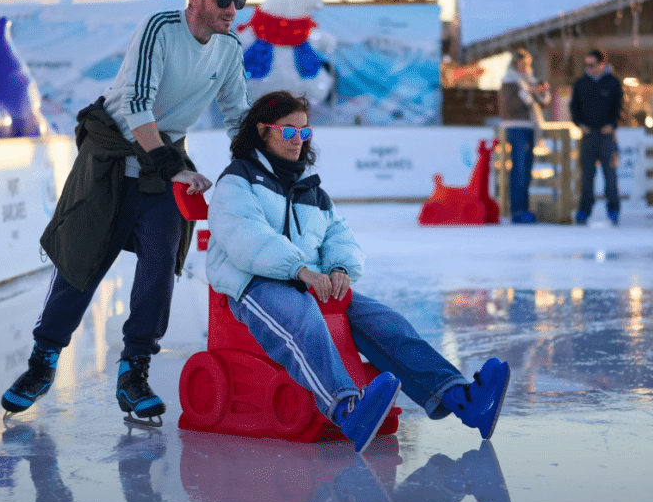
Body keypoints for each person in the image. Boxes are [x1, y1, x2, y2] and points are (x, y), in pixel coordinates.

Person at [1, 0, 252, 426]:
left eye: (239, 1)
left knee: (162, 265)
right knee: (82, 261)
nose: (233, 10)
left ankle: (134, 371)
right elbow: (136, 104)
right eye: (224, 0)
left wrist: (257, 165)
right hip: (113, 157)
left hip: (162, 165)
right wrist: (174, 167)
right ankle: (42, 361)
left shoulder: (229, 48)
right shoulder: (160, 28)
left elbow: (237, 114)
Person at [206, 91, 511, 453]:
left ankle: (461, 398)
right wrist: (300, 270)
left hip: (309, 281)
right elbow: (246, 237)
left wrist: (339, 268)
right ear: (262, 131)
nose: (298, 141)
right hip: (254, 284)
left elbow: (338, 233)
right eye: (289, 131)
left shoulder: (310, 188)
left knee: (384, 321)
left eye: (304, 133)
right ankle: (346, 408)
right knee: (302, 318)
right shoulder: (237, 181)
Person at [569, 49, 623, 225]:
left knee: (610, 174)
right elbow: (574, 107)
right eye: (586, 65)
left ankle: (613, 209)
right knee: (587, 176)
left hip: (607, 136)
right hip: (589, 135)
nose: (589, 68)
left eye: (592, 65)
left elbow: (619, 106)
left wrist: (612, 124)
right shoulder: (581, 83)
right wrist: (580, 124)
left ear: (602, 64)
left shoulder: (613, 83)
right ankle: (584, 209)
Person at [499, 48, 551, 223]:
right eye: (521, 64)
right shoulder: (510, 81)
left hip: (530, 127)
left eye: (527, 64)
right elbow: (510, 107)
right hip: (516, 127)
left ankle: (524, 207)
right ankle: (518, 209)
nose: (524, 68)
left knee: (527, 169)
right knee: (519, 168)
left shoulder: (529, 81)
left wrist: (541, 91)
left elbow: (542, 103)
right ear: (515, 64)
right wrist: (529, 93)